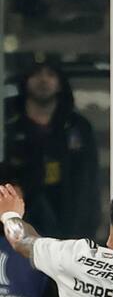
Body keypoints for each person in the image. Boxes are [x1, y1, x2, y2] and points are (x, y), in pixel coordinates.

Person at [4, 60, 100, 242]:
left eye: (50, 74)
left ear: (60, 82)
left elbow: (88, 181)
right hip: (18, 218)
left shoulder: (77, 127)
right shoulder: (7, 123)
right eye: (36, 74)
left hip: (67, 220)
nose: (43, 80)